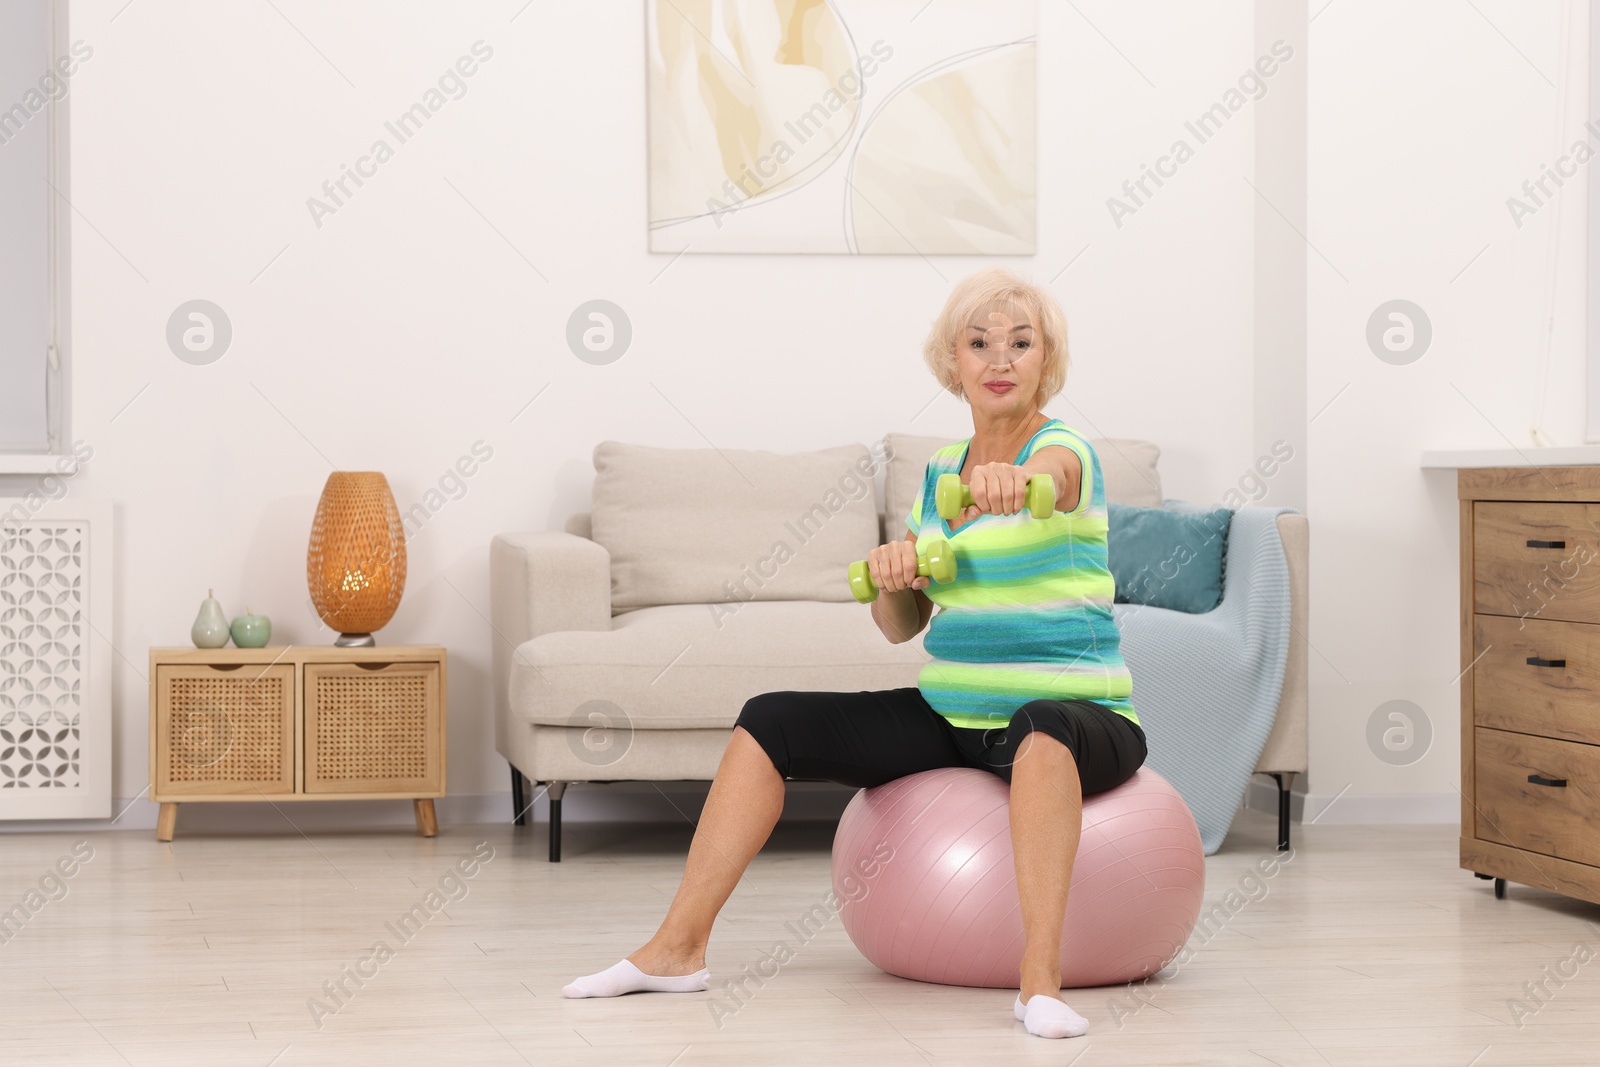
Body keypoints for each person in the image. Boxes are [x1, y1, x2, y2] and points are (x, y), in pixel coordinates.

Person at [562, 267, 1146, 1040]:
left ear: (1046, 359)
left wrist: (1018, 479)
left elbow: (1054, 477)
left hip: (1082, 717)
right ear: (954, 363)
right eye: (979, 343)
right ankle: (677, 948)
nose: (999, 359)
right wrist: (896, 575)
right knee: (770, 721)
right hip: (958, 715)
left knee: (1039, 721)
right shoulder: (940, 473)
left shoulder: (1064, 452)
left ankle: (1038, 982)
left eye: (1020, 342)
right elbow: (901, 625)